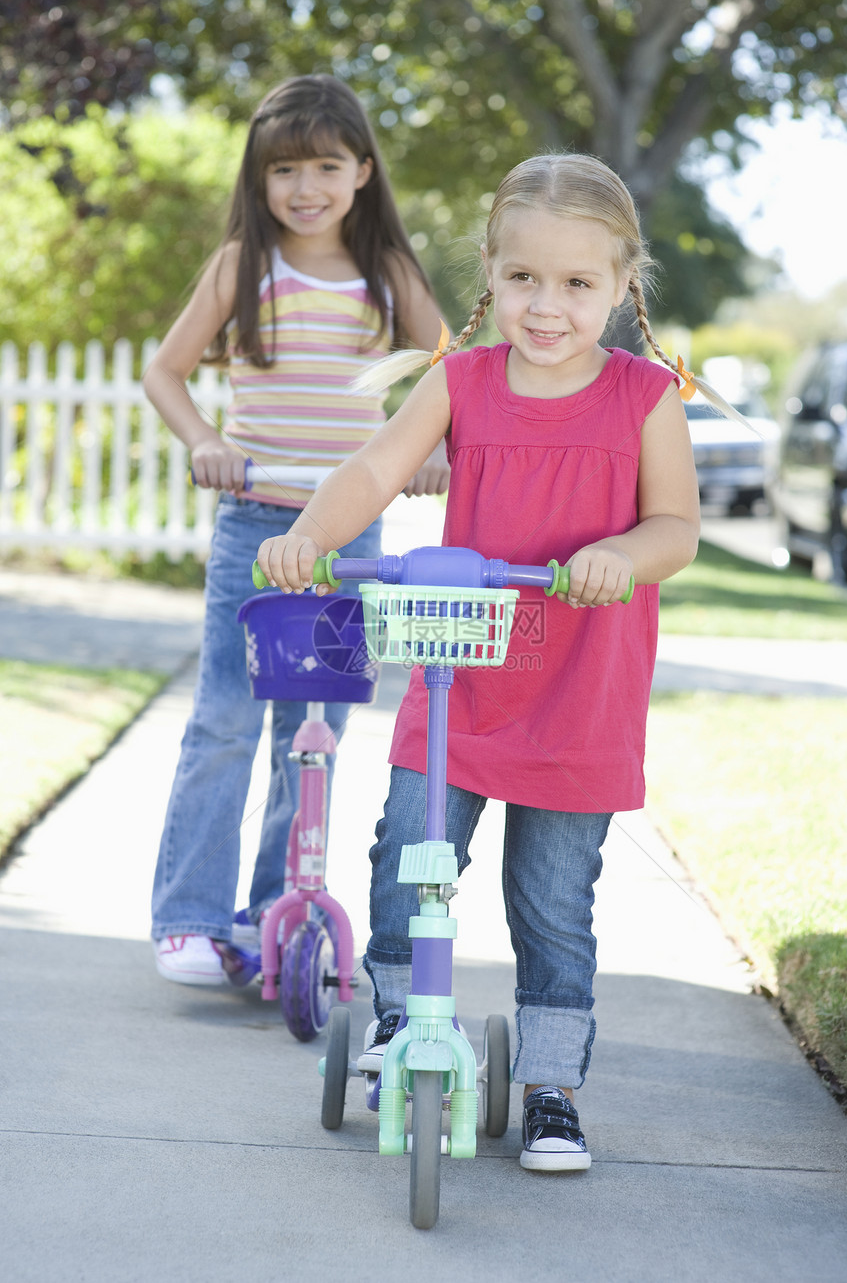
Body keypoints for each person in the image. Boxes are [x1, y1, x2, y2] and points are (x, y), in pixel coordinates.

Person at [257, 152, 709, 1172]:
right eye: (522, 280)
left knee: (552, 900)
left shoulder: (643, 397)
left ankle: (549, 1086)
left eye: (576, 284)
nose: (545, 307)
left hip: (578, 689)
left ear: (621, 284)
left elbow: (675, 527)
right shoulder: (459, 380)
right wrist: (311, 536)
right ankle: (394, 1020)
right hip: (459, 677)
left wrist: (617, 554)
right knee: (406, 859)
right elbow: (374, 466)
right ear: (489, 276)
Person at [146, 74, 448, 985]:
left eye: (325, 165)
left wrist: (442, 449)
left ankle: (279, 908)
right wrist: (204, 439)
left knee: (311, 729)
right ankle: (189, 920)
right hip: (255, 522)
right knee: (228, 721)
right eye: (285, 170)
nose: (305, 186)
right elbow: (166, 371)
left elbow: (453, 377)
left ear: (362, 170)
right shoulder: (244, 265)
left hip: (349, 540)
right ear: (259, 179)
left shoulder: (388, 272)